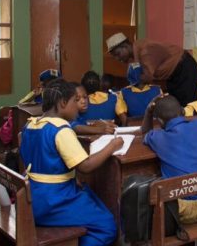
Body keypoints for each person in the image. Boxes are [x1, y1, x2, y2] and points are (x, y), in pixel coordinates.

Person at [19, 78, 121, 246]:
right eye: (75, 100)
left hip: (31, 197)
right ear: (63, 103)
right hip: (53, 200)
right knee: (107, 226)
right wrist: (112, 146)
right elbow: (86, 166)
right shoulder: (61, 130)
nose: (77, 105)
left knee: (91, 197)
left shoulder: (30, 126)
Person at [141, 94, 197, 224]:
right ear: (183, 111)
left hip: (182, 210)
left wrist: (148, 111)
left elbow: (144, 132)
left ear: (160, 122)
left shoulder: (158, 137)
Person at [106, 32, 197, 107]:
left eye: (118, 54)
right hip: (173, 75)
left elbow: (147, 78)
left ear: (125, 46)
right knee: (176, 107)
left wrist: (127, 90)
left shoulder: (144, 51)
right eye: (115, 57)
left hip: (185, 68)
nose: (118, 59)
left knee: (188, 107)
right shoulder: (135, 56)